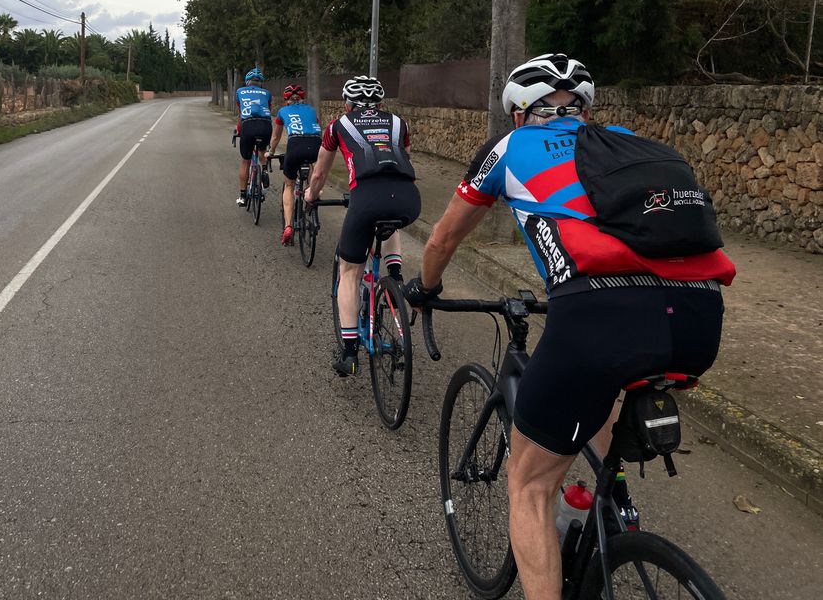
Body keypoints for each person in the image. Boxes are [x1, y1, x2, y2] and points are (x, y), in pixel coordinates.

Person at [403, 53, 736, 600]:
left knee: (530, 483)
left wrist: (428, 290)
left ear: (517, 114)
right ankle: (603, 497)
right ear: (584, 108)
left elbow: (441, 240)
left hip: (598, 316)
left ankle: (575, 509)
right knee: (602, 389)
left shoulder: (508, 149)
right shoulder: (631, 141)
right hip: (699, 315)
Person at [304, 75, 421, 376]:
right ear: (382, 104)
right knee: (389, 217)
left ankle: (349, 352)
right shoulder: (399, 123)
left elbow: (319, 174)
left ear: (347, 104)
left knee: (350, 272)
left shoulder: (337, 126)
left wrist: (310, 196)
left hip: (366, 197)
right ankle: (394, 275)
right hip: (408, 198)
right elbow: (400, 158)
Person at [265, 83, 323, 245]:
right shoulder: (312, 110)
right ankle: (313, 196)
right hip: (315, 144)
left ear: (286, 100)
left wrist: (271, 151)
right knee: (312, 167)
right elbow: (316, 128)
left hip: (295, 145)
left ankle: (289, 226)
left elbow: (275, 137)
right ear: (302, 99)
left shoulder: (283, 111)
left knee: (289, 185)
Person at [234, 68, 272, 207]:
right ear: (260, 83)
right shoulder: (267, 93)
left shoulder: (240, 91)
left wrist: (238, 130)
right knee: (262, 152)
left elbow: (240, 113)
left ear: (247, 82)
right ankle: (265, 171)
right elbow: (267, 110)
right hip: (265, 125)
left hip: (248, 125)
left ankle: (243, 196)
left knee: (246, 161)